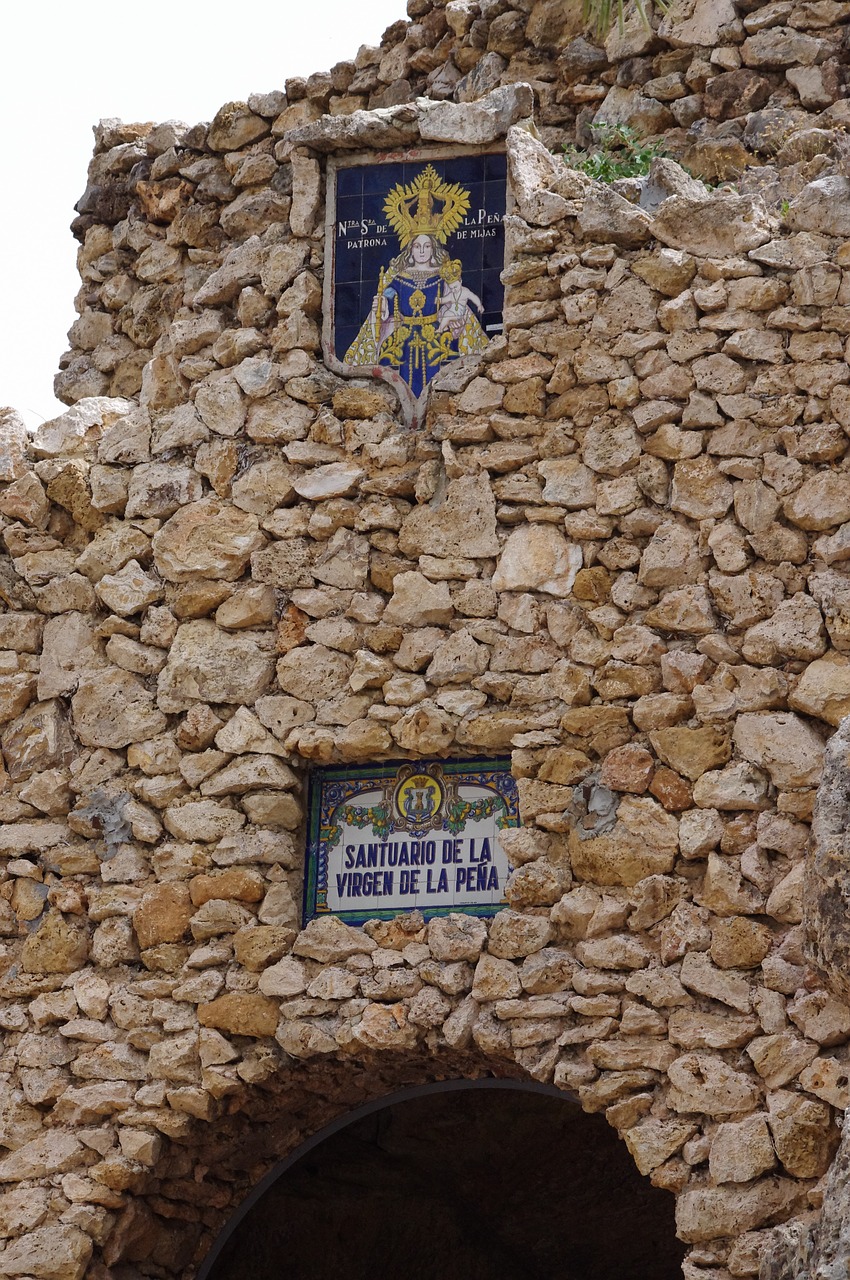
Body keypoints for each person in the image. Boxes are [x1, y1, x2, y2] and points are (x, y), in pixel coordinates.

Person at [343, 166, 489, 401]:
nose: (421, 251)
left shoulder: (442, 274)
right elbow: (389, 292)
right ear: (411, 250)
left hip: (435, 339)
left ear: (433, 248)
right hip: (403, 338)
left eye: (426, 246)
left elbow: (454, 299)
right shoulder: (399, 274)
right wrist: (383, 303)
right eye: (417, 247)